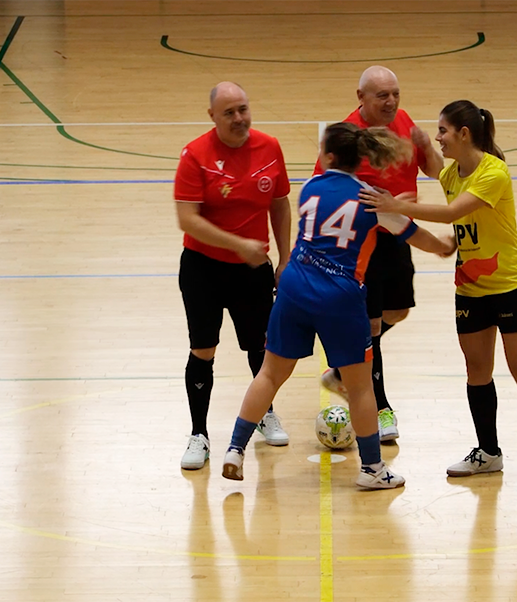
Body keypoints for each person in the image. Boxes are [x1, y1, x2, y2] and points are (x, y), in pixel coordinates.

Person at [221, 122, 454, 489]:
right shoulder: (371, 198)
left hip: (295, 285)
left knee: (269, 374)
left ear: (327, 156)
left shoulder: (310, 188)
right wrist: (442, 246)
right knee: (360, 387)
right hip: (340, 294)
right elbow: (414, 235)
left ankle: (235, 449)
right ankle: (373, 470)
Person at [359, 99, 517, 482]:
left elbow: (453, 213)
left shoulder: (494, 172)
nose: (439, 137)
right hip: (470, 289)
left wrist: (393, 206)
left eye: (442, 131)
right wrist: (417, 145)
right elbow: (439, 171)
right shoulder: (454, 174)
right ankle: (488, 452)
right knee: (477, 371)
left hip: (512, 284)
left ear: (464, 134)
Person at [315, 65, 444, 443]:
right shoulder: (346, 137)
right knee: (370, 327)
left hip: (399, 236)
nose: (391, 102)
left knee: (397, 312)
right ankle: (381, 408)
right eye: (382, 96)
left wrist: (425, 147)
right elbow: (325, 188)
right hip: (363, 242)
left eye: (395, 94)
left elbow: (437, 173)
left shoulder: (404, 121)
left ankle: (343, 367)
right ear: (361, 98)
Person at [174, 81, 292, 471]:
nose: (239, 118)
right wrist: (237, 244)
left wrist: (285, 256)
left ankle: (264, 414)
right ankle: (199, 434)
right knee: (203, 350)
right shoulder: (195, 155)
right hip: (203, 269)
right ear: (212, 116)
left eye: (243, 108)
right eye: (229, 113)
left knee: (261, 348)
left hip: (253, 271)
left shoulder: (269, 147)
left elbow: (279, 203)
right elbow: (187, 219)